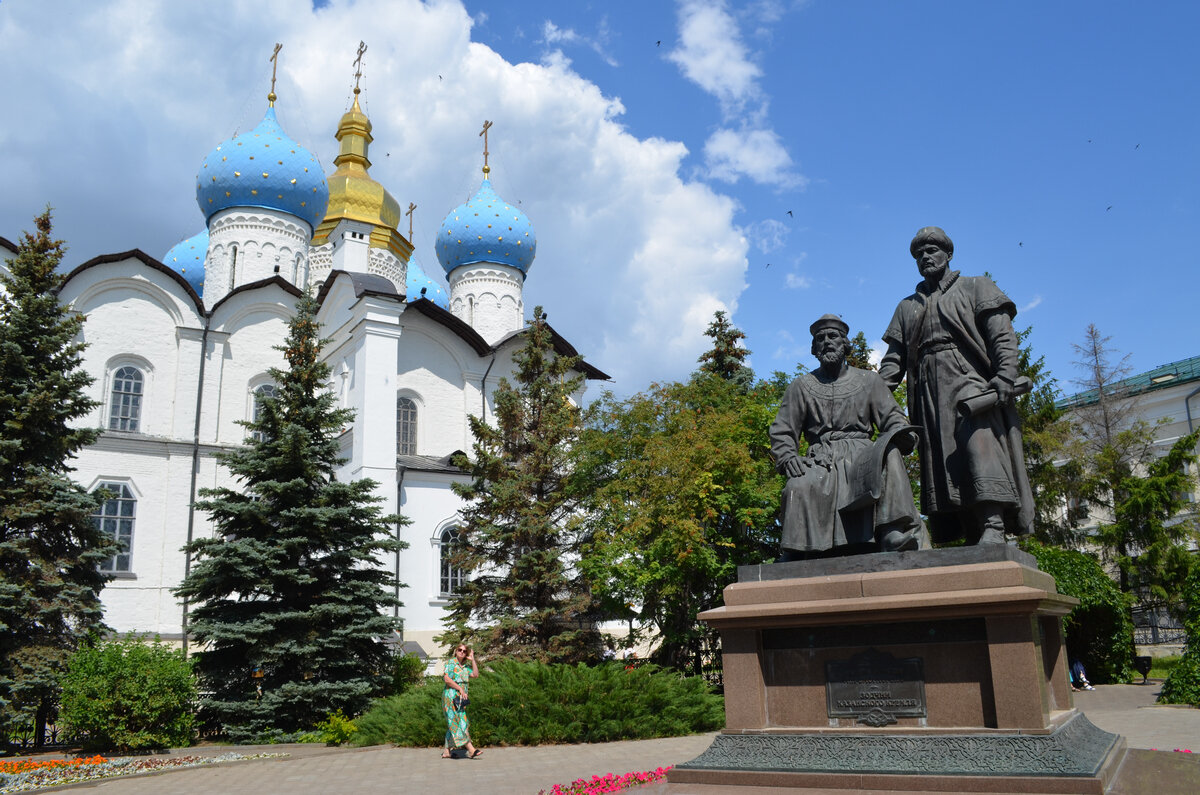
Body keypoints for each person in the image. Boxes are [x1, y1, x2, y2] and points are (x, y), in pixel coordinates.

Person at [879, 227, 1035, 545]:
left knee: (978, 443)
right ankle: (971, 530)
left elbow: (1001, 335)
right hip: (927, 392)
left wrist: (1005, 375)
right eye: (919, 254)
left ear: (948, 254)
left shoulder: (976, 286)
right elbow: (893, 362)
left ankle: (993, 524)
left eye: (932, 250)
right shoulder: (907, 307)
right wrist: (869, 396)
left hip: (970, 381)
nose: (926, 257)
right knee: (942, 458)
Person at [769, 314, 925, 559]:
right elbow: (782, 430)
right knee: (797, 484)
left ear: (845, 343)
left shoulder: (869, 381)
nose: (826, 342)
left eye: (833, 336)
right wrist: (788, 457)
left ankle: (891, 532)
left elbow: (892, 417)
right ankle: (797, 549)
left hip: (862, 455)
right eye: (820, 339)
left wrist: (901, 433)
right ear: (813, 348)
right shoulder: (800, 386)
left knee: (890, 453)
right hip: (821, 459)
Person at [442, 643, 482, 759]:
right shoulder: (450, 663)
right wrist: (459, 688)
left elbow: (475, 674)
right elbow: (447, 679)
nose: (462, 652)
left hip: (460, 699)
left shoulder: (464, 668)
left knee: (461, 723)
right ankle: (471, 750)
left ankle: (446, 751)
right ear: (456, 651)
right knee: (457, 724)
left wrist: (473, 660)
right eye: (460, 650)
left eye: (464, 651)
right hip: (450, 697)